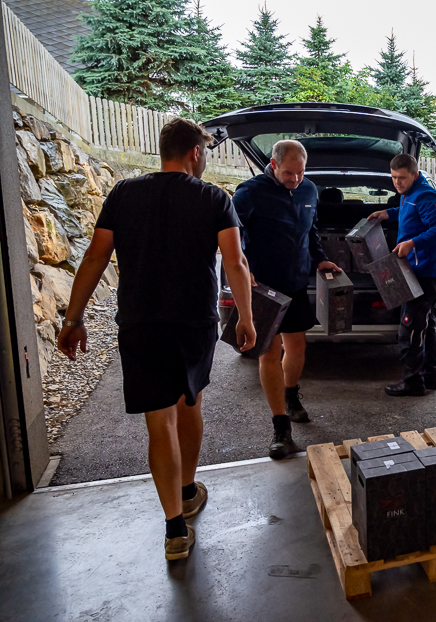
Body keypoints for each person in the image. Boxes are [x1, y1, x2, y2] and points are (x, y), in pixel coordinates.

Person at [57, 117, 256, 561]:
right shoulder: (213, 198)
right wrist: (246, 318)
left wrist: (73, 318)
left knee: (159, 421)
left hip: (141, 321)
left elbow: (95, 257)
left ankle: (175, 529)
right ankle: (187, 489)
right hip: (193, 322)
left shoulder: (123, 194)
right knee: (190, 401)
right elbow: (236, 262)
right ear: (195, 153)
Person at [231, 140, 340, 459]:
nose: (295, 179)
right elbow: (230, 236)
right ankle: (281, 428)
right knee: (269, 353)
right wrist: (243, 268)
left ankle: (291, 396)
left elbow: (310, 231)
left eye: (301, 173)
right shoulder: (249, 193)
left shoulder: (309, 190)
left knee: (297, 347)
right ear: (274, 164)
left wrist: (319, 258)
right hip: (263, 286)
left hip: (296, 283)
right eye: (289, 173)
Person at [368, 154, 436, 397]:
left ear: (415, 174)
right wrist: (387, 213)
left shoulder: (425, 195)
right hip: (415, 270)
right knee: (426, 324)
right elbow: (408, 212)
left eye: (401, 178)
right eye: (393, 177)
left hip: (425, 272)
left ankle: (413, 382)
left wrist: (412, 243)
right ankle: (429, 377)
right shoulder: (409, 193)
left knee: (411, 327)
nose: (397, 182)